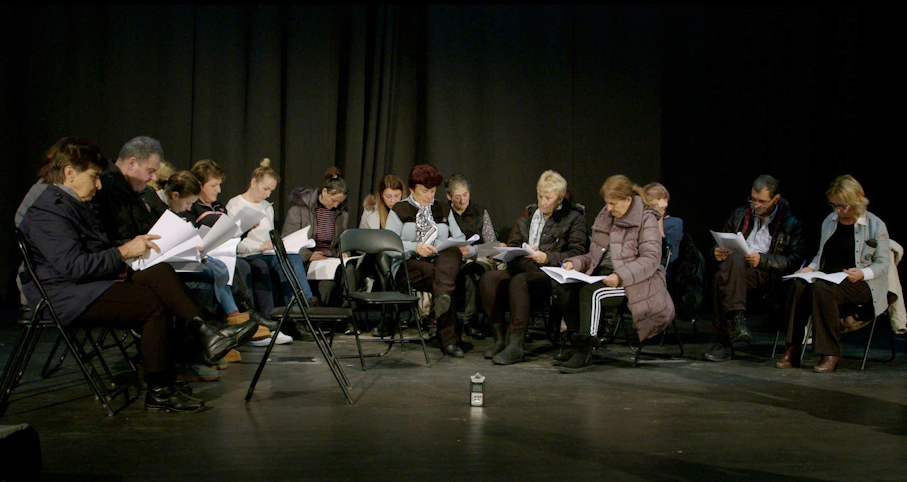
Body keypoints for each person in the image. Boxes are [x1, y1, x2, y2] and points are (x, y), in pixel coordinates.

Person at [17, 136, 258, 412]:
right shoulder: (49, 211)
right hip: (63, 295)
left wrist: (131, 254)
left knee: (159, 271)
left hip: (85, 284)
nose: (98, 184)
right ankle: (161, 388)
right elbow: (73, 267)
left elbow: (92, 254)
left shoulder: (72, 204)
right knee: (153, 306)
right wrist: (123, 253)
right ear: (70, 172)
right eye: (94, 177)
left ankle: (206, 331)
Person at [553, 175, 675, 372]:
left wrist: (620, 277)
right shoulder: (606, 216)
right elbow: (592, 257)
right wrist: (573, 263)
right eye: (606, 203)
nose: (609, 208)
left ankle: (585, 349)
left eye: (613, 203)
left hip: (636, 282)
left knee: (591, 292)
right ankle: (575, 344)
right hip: (602, 275)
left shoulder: (646, 218)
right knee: (564, 288)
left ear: (628, 200)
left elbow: (651, 259)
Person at [776, 175, 890, 373]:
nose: (837, 211)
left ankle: (830, 353)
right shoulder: (830, 220)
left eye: (842, 206)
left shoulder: (875, 225)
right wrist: (810, 269)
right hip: (830, 278)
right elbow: (821, 255)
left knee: (822, 289)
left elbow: (883, 264)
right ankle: (792, 348)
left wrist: (863, 273)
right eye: (834, 206)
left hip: (862, 283)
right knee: (798, 285)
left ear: (856, 202)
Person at [479, 170, 588, 365]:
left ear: (560, 198)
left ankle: (516, 344)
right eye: (540, 196)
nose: (543, 201)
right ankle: (500, 338)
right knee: (489, 278)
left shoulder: (573, 218)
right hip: (524, 266)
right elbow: (516, 243)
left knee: (519, 281)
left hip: (549, 273)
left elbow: (577, 253)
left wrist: (547, 257)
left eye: (548, 197)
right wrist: (508, 250)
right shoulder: (529, 216)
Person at [705, 174, 806, 362]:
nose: (756, 205)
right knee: (729, 266)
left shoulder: (790, 223)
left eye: (762, 202)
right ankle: (737, 319)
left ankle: (724, 341)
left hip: (767, 274)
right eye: (753, 200)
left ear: (776, 199)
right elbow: (722, 241)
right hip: (738, 269)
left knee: (722, 277)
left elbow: (793, 260)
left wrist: (762, 260)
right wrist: (716, 252)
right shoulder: (739, 214)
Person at [385, 164, 468, 357]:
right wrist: (416, 247)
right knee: (444, 280)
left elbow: (459, 236)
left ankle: (442, 306)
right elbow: (389, 245)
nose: (429, 196)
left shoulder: (442, 208)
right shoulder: (400, 209)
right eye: (424, 191)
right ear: (412, 189)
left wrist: (462, 245)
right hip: (409, 264)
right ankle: (449, 340)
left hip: (440, 261)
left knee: (450, 257)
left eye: (432, 191)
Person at [189, 158, 276, 326]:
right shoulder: (193, 207)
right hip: (206, 255)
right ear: (200, 185)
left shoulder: (218, 206)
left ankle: (265, 318)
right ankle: (246, 317)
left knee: (257, 265)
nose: (218, 190)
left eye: (219, 185)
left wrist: (245, 228)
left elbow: (231, 236)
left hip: (224, 252)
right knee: (242, 266)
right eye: (213, 186)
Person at [226, 158, 319, 308]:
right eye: (265, 189)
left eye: (271, 190)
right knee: (285, 261)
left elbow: (268, 235)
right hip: (248, 253)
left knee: (290, 258)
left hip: (268, 252)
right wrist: (261, 247)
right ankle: (305, 304)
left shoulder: (267, 207)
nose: (268, 194)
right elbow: (234, 240)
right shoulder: (235, 204)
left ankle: (299, 308)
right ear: (253, 183)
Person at [282, 167, 350, 307]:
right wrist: (308, 255)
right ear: (324, 192)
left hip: (331, 259)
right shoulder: (299, 210)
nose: (336, 205)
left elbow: (344, 240)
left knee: (348, 271)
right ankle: (320, 317)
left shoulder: (341, 214)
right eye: (333, 200)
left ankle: (348, 317)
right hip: (307, 261)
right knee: (328, 283)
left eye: (339, 202)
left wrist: (345, 253)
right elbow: (287, 243)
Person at [445, 173, 502, 340]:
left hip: (478, 257)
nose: (463, 200)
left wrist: (473, 251)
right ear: (449, 197)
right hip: (452, 258)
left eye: (465, 195)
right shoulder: (444, 213)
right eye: (457, 197)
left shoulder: (480, 212)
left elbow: (493, 245)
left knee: (474, 271)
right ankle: (443, 321)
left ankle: (470, 322)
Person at [91, 136, 163, 246]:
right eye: (150, 171)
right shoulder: (103, 189)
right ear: (132, 164)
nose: (154, 178)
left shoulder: (134, 188)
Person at [643, 182, 683, 270]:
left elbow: (664, 249)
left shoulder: (675, 223)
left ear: (664, 202)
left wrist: (659, 214)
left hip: (664, 270)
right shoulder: (643, 222)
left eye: (653, 206)